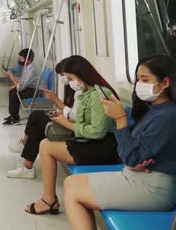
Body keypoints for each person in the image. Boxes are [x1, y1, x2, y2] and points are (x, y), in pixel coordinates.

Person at [64, 55, 176, 230]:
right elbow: (134, 153)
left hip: (154, 188)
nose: (139, 84)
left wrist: (120, 120)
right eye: (138, 79)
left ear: (165, 82)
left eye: (145, 80)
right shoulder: (156, 109)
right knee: (70, 182)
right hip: (136, 175)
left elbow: (131, 156)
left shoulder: (167, 116)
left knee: (73, 196)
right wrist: (134, 158)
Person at [24, 55, 120, 215]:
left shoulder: (99, 95)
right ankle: (49, 198)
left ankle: (49, 200)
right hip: (90, 140)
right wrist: (64, 120)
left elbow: (97, 131)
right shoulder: (85, 93)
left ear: (82, 74)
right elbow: (79, 118)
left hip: (104, 146)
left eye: (70, 78)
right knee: (45, 143)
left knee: (46, 146)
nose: (69, 82)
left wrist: (66, 123)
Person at [7, 57, 76, 179]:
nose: (64, 79)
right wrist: (59, 114)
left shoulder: (84, 93)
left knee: (37, 122)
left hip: (72, 129)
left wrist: (56, 101)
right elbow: (72, 113)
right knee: (36, 117)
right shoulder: (74, 90)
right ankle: (26, 160)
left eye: (66, 76)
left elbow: (76, 118)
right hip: (68, 122)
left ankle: (26, 152)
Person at [3, 48, 42, 125]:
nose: (19, 60)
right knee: (13, 90)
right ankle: (13, 115)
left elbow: (20, 87)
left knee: (15, 93)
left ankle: (14, 119)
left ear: (28, 59)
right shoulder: (28, 66)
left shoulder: (31, 70)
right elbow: (22, 81)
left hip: (37, 91)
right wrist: (14, 85)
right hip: (30, 87)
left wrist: (11, 76)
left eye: (21, 58)